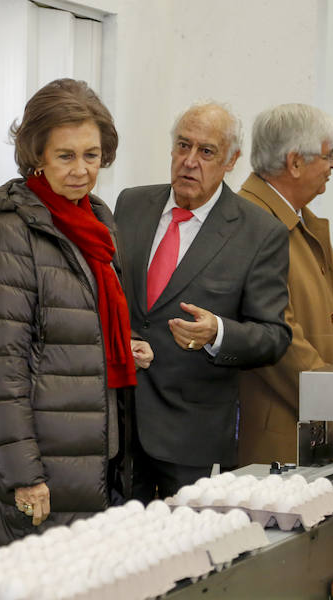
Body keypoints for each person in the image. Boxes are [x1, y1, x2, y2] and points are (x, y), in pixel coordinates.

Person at [0, 79, 153, 550]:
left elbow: (70, 329)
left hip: (91, 455)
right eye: (66, 155)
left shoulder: (98, 222)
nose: (81, 170)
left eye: (92, 155)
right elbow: (3, 368)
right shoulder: (10, 233)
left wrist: (121, 345)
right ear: (36, 155)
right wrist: (24, 476)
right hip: (37, 464)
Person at [114, 101, 291, 501]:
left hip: (192, 437)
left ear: (232, 161)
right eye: (182, 146)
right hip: (119, 428)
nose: (189, 161)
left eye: (206, 151)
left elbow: (273, 336)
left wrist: (218, 333)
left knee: (190, 556)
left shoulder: (260, 233)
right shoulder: (131, 205)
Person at [236, 103, 333, 466]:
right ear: (295, 163)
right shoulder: (248, 222)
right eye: (329, 155)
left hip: (322, 420)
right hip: (280, 437)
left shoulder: (306, 223)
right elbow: (279, 335)